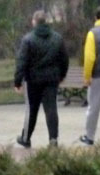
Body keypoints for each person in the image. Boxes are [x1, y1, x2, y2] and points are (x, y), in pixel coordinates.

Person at [14, 10, 69, 148]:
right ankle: (53, 139)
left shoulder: (28, 40)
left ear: (34, 22)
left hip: (33, 81)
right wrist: (62, 75)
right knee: (51, 109)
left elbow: (22, 62)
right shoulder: (57, 38)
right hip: (51, 80)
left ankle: (26, 138)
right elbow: (64, 59)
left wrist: (18, 81)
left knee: (31, 110)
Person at [79, 5, 100, 145]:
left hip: (98, 75)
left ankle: (90, 136)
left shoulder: (92, 34)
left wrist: (87, 77)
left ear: (95, 18)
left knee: (93, 107)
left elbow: (89, 58)